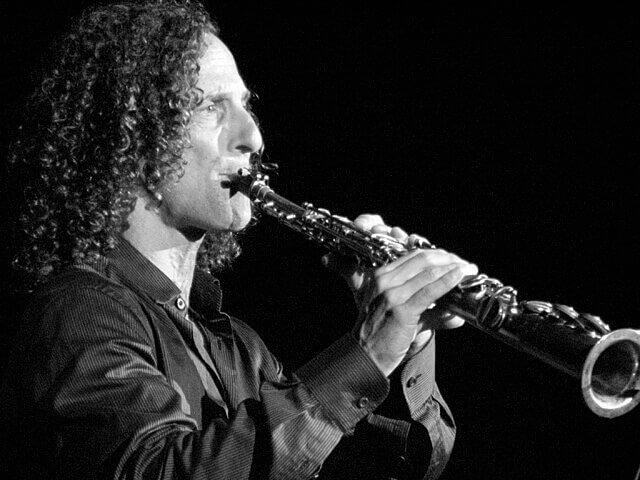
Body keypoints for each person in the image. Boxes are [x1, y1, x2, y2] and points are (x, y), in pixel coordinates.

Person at [1, 1, 478, 479]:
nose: (253, 136)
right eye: (211, 106)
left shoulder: (240, 348)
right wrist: (366, 354)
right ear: (132, 138)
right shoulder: (79, 311)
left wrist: (404, 341)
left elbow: (368, 466)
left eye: (245, 105)